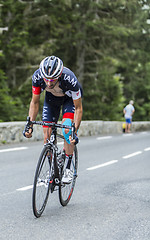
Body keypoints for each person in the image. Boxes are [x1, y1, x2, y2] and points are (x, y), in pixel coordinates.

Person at [23, 55, 83, 183]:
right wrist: (30, 125)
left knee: (67, 130)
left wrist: (74, 130)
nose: (49, 83)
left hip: (69, 100)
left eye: (53, 80)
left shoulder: (70, 79)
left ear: (60, 75)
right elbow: (34, 102)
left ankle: (68, 168)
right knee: (47, 136)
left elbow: (78, 108)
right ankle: (52, 170)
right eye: (47, 80)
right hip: (51, 100)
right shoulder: (37, 77)